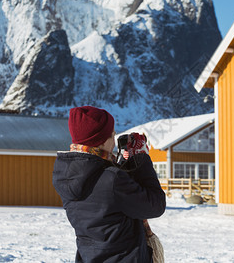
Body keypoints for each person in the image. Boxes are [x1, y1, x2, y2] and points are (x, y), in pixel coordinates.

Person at [53, 106, 166, 262]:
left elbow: (111, 202)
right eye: (112, 135)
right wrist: (141, 160)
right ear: (101, 141)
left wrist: (126, 166)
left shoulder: (66, 175)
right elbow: (156, 205)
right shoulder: (112, 179)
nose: (114, 141)